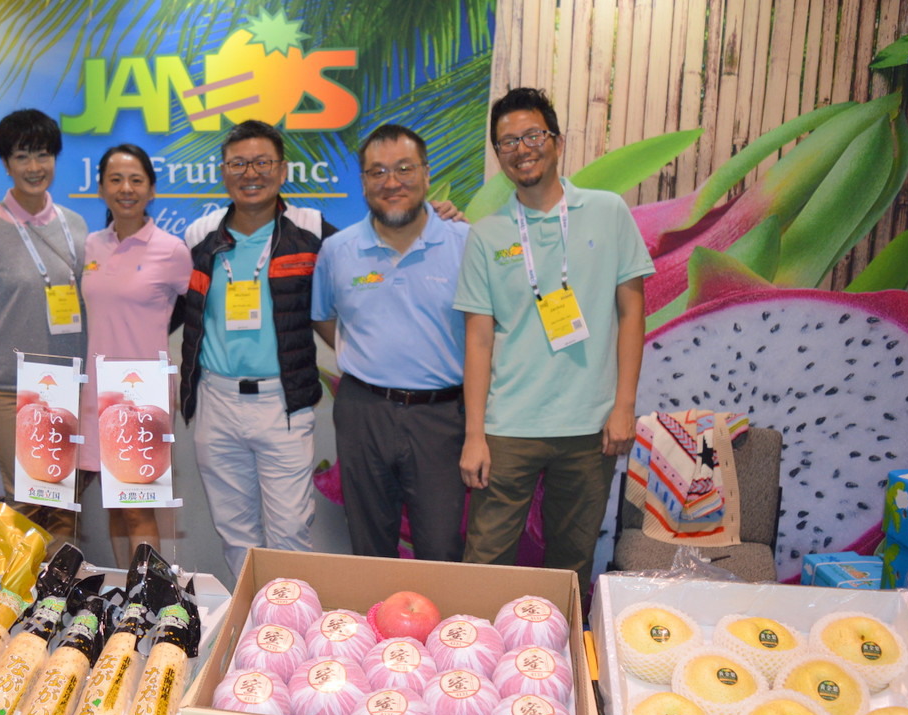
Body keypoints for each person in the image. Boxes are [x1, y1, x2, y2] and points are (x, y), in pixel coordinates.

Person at [454, 87, 653, 598]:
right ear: (498, 155)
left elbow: (632, 312)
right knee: (485, 563)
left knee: (571, 564)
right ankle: (478, 644)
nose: (522, 149)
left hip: (590, 425)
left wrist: (624, 406)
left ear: (557, 142)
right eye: (507, 142)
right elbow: (479, 340)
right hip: (508, 427)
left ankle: (559, 650)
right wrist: (475, 435)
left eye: (533, 135)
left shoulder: (608, 211)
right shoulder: (487, 234)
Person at [179, 120, 337, 575]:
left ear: (283, 170)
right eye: (239, 164)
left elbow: (370, 256)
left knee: (291, 533)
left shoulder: (312, 230)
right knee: (236, 534)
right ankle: (249, 616)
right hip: (216, 401)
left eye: (263, 162)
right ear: (223, 173)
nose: (251, 173)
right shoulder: (199, 235)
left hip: (282, 403)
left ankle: (289, 616)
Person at [311, 124, 470, 560]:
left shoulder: (465, 242)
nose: (391, 182)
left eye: (404, 168)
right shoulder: (338, 250)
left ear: (426, 173)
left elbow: (485, 329)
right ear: (363, 182)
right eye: (377, 172)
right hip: (363, 412)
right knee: (370, 547)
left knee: (441, 547)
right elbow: (323, 316)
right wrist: (364, 353)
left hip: (441, 418)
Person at [0, 109, 88, 544]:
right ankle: (18, 584)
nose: (34, 167)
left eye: (43, 155)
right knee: (27, 498)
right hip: (10, 387)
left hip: (68, 384)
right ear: (5, 163)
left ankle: (61, 581)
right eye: (22, 156)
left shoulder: (75, 225)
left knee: (65, 499)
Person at [78, 143, 192, 567]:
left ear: (151, 189)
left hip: (143, 397)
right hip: (97, 393)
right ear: (101, 189)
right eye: (115, 179)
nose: (126, 188)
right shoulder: (91, 246)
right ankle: (127, 588)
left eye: (136, 180)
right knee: (114, 502)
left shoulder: (172, 249)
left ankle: (145, 593)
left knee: (138, 506)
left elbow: (193, 308)